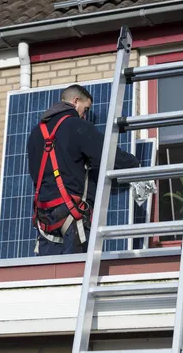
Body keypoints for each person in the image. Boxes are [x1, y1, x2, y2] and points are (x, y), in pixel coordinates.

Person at [27, 84, 140, 256]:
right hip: (71, 214)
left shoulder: (35, 134)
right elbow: (109, 156)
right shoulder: (76, 126)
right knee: (74, 274)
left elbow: (34, 173)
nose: (85, 115)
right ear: (76, 101)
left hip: (43, 216)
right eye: (85, 109)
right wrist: (136, 164)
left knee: (48, 276)